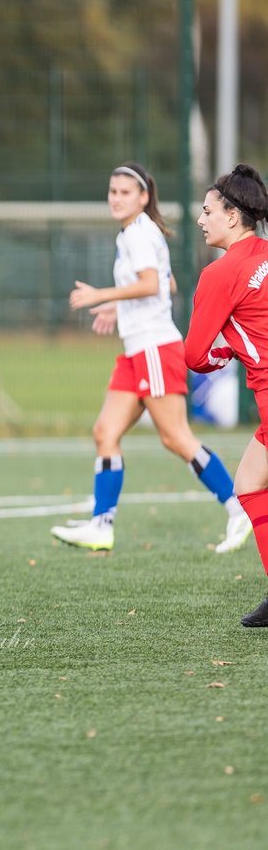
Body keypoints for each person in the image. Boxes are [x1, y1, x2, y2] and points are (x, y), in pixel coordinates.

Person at [51, 162, 251, 555]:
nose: (117, 198)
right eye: (112, 192)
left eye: (125, 192)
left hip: (156, 348)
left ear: (143, 197)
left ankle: (237, 507)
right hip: (135, 350)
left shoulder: (139, 232)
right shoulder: (135, 233)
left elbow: (151, 283)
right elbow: (167, 283)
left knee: (176, 438)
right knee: (105, 433)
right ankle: (101, 526)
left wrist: (102, 297)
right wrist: (120, 311)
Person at [184, 163, 268, 626]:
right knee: (248, 484)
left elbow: (196, 355)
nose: (201, 219)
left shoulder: (220, 275)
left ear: (232, 216)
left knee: (251, 486)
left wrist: (225, 354)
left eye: (207, 210)